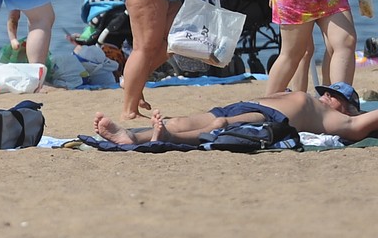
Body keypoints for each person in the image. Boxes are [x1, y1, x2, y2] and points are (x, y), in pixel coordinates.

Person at [93, 82, 377, 147]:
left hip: (269, 117)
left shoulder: (343, 121)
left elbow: (366, 121)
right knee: (180, 119)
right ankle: (129, 135)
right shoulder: (317, 102)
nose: (327, 96)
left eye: (336, 97)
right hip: (242, 104)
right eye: (327, 92)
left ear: (351, 107)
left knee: (221, 125)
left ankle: (168, 137)